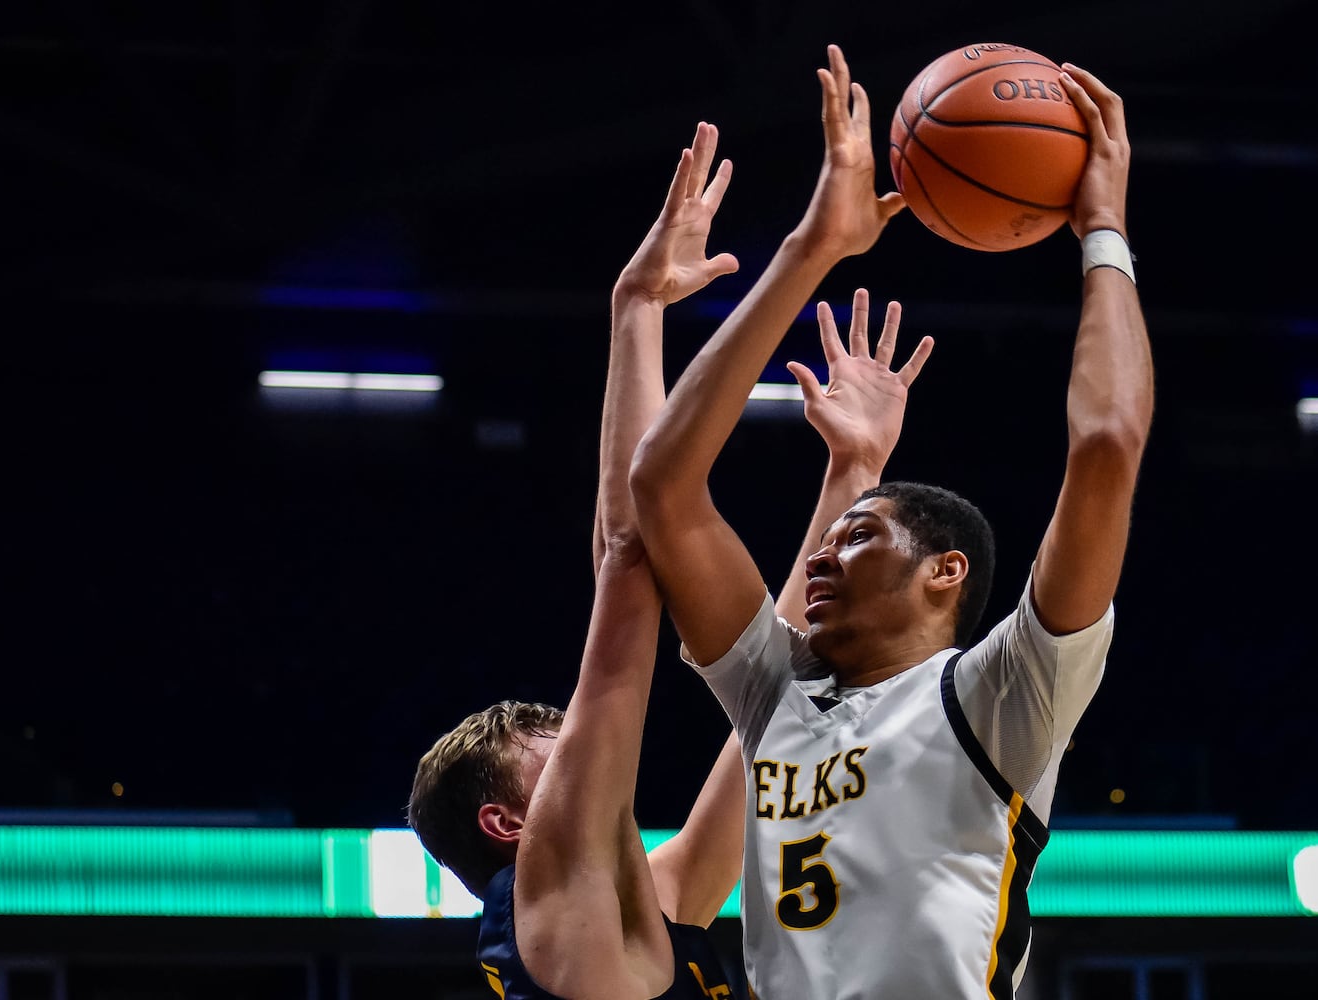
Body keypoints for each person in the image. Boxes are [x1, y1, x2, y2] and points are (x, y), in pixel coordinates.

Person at [629, 43, 1152, 1000]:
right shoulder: (775, 693)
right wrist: (811, 248)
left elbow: (1108, 445)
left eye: (857, 535)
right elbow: (660, 486)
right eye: (829, 536)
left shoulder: (1003, 694)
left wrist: (1103, 228)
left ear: (944, 572)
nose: (818, 553)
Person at [407, 115, 934, 999]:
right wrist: (643, 307)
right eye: (551, 743)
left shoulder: (655, 902)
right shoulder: (556, 897)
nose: (579, 736)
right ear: (508, 823)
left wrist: (855, 475)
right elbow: (630, 556)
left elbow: (783, 717)